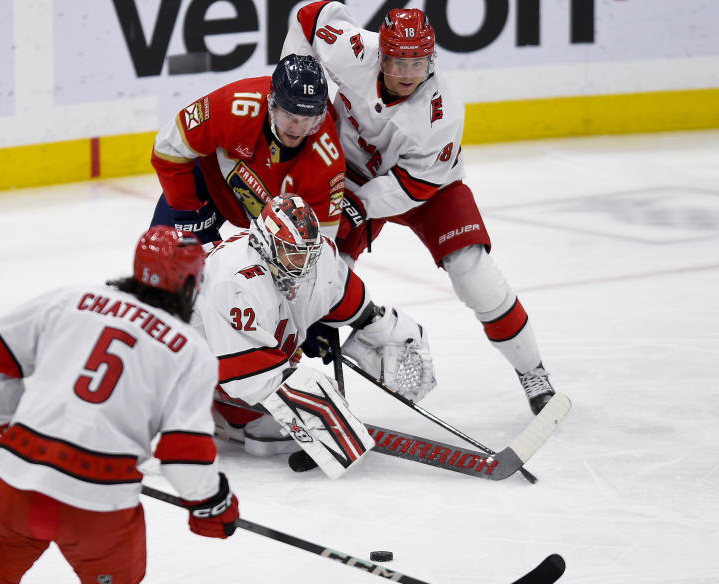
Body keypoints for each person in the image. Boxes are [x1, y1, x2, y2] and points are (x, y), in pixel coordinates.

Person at [0, 227, 239, 584]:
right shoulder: (190, 349)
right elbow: (183, 458)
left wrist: (12, 428)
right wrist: (213, 503)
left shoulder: (72, 300)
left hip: (12, 487)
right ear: (188, 283)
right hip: (99, 506)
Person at [283, 2, 559, 414]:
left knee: (473, 272)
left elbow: (417, 184)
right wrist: (304, 80)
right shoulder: (354, 50)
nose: (409, 75)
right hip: (347, 174)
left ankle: (532, 371)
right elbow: (311, 14)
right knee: (316, 273)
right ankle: (290, 374)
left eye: (418, 63)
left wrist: (360, 205)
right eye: (398, 62)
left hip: (425, 190)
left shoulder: (442, 112)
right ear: (381, 56)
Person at [192, 192, 435, 474]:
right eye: (293, 253)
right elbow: (247, 376)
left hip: (238, 366)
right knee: (276, 408)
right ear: (264, 243)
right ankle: (226, 416)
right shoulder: (233, 279)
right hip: (192, 376)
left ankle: (246, 419)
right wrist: (318, 410)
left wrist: (377, 324)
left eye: (309, 252)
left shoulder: (314, 254)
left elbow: (344, 296)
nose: (305, 263)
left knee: (285, 402)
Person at [150, 52, 346, 244]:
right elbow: (167, 148)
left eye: (307, 119)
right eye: (288, 116)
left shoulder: (327, 164)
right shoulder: (233, 105)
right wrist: (187, 216)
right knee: (164, 256)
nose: (297, 128)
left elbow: (321, 246)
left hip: (271, 230)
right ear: (272, 103)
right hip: (208, 182)